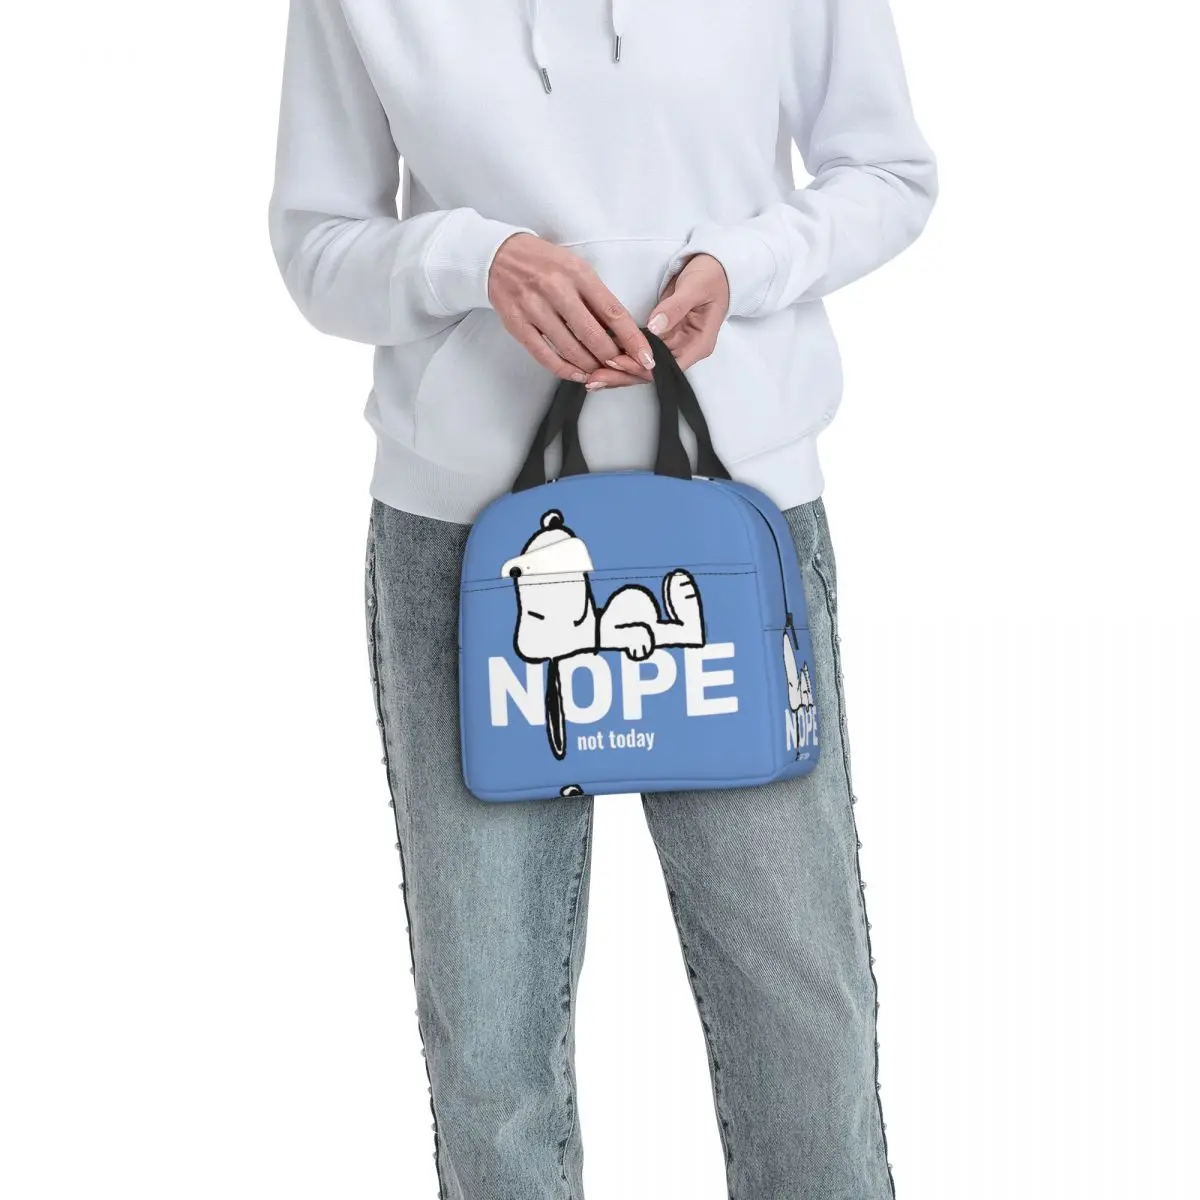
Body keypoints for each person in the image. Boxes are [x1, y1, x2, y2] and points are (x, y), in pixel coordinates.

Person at [268, 0, 936, 1195]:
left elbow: (888, 172)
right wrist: (473, 260)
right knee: (490, 1047)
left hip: (732, 526)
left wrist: (744, 264)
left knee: (803, 1024)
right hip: (469, 543)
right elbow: (318, 246)